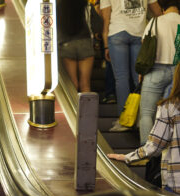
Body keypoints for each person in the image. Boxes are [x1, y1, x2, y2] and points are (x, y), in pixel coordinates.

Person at [108, 63, 180, 194]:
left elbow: (155, 146)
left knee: (146, 112)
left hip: (177, 182)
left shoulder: (171, 107)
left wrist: (127, 157)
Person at [101, 0, 162, 131]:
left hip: (117, 32)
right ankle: (142, 119)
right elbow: (158, 12)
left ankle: (124, 121)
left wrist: (105, 44)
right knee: (139, 78)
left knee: (121, 79)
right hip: (140, 33)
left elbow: (106, 19)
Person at [138, 0, 180, 145]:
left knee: (146, 113)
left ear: (163, 7)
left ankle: (147, 151)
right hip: (177, 73)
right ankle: (169, 148)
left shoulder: (156, 22)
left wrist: (142, 71)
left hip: (155, 70)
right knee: (171, 115)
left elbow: (145, 46)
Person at [57, 0, 95, 92]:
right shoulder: (85, 3)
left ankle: (74, 106)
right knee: (85, 84)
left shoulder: (58, 5)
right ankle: (87, 107)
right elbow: (97, 23)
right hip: (85, 42)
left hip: (66, 44)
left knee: (73, 83)